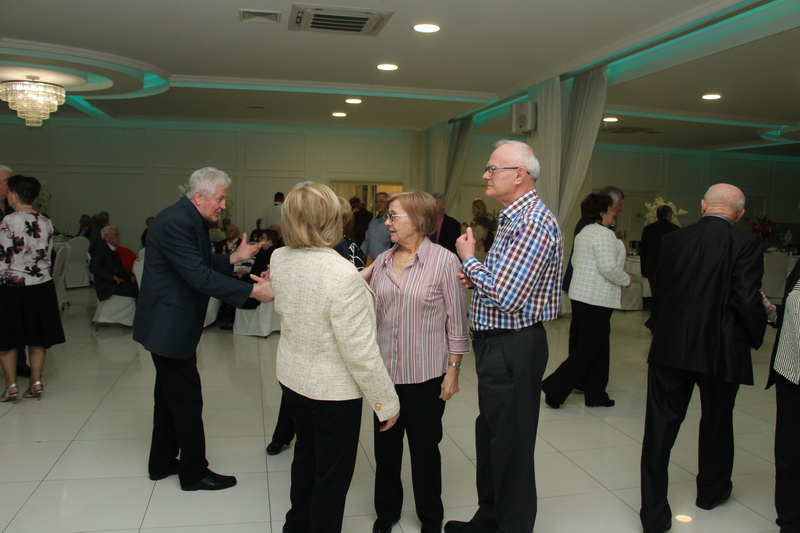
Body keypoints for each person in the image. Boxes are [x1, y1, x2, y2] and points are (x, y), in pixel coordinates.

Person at [132, 167, 273, 491]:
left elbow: (196, 264)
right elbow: (198, 276)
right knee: (187, 401)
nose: (223, 205)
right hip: (168, 325)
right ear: (199, 196)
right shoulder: (176, 222)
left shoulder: (187, 218)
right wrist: (252, 291)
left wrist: (234, 257)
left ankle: (161, 462)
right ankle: (194, 473)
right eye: (220, 198)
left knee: (168, 399)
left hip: (170, 323)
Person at [269, 183, 399, 533]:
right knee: (332, 475)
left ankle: (296, 526)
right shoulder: (341, 273)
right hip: (332, 393)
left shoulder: (280, 257)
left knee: (305, 458)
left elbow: (300, 301)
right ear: (332, 220)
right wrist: (386, 402)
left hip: (293, 378)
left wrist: (357, 282)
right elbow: (361, 353)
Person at [449, 140, 563, 533]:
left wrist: (469, 260)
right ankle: (490, 518)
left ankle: (511, 525)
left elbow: (509, 297)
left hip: (513, 344)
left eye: (492, 168)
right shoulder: (514, 218)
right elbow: (505, 282)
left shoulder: (531, 221)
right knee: (493, 436)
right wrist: (477, 275)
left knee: (510, 442)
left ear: (519, 175)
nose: (485, 175)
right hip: (500, 343)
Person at [639, 184, 766, 533]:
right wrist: (756, 334)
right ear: (740, 214)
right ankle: (711, 492)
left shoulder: (673, 240)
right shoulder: (746, 243)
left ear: (703, 206)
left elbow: (662, 291)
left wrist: (663, 328)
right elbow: (746, 298)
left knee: (659, 428)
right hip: (720, 349)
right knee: (717, 421)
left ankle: (653, 513)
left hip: (671, 346)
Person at [369, 191, 469, 533]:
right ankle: (387, 511)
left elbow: (457, 323)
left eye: (394, 216)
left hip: (426, 376)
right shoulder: (382, 261)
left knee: (425, 450)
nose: (387, 222)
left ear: (418, 220)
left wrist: (453, 371)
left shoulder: (444, 262)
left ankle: (430, 517)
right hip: (384, 375)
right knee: (386, 448)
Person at [266, 197, 366, 454]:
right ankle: (285, 436)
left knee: (312, 437)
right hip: (304, 347)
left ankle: (288, 438)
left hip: (325, 346)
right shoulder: (292, 252)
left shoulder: (348, 249)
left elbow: (352, 288)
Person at [542, 193, 630, 409]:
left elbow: (576, 262)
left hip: (581, 297)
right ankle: (554, 387)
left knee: (597, 347)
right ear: (602, 213)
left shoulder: (584, 232)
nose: (613, 215)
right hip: (596, 299)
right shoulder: (604, 235)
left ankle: (596, 393)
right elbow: (608, 267)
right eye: (611, 211)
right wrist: (626, 279)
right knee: (589, 349)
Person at [0, 175, 65, 402]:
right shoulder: (46, 221)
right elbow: (47, 255)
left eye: (9, 192)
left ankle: (11, 386)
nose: (7, 196)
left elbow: (2, 257)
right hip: (41, 286)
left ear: (16, 196)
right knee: (37, 337)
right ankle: (36, 381)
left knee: (7, 338)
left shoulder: (9, 220)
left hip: (12, 286)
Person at [763, 263, 800, 533]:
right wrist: (771, 311)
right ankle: (789, 521)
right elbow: (792, 314)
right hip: (789, 371)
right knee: (789, 452)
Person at [0, 165, 32, 378]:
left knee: (15, 319)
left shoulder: (15, 210)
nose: (11, 185)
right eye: (6, 181)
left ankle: (19, 362)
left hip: (14, 275)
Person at [562, 185, 624, 293]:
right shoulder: (590, 225)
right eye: (620, 205)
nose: (620, 209)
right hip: (588, 287)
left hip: (585, 286)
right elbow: (606, 265)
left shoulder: (595, 224)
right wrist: (625, 279)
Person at [640, 205, 679, 330]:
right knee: (667, 296)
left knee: (656, 296)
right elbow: (677, 252)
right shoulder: (675, 229)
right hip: (668, 268)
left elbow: (643, 251)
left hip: (652, 268)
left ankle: (654, 321)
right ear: (669, 215)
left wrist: (643, 270)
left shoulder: (648, 229)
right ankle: (664, 322)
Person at [89, 225, 139, 302]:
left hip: (114, 283)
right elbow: (94, 267)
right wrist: (112, 277)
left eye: (118, 234)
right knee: (139, 289)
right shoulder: (100, 249)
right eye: (116, 235)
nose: (119, 237)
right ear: (106, 237)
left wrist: (131, 275)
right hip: (108, 286)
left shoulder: (110, 248)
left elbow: (119, 266)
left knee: (140, 286)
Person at [361, 192, 392, 261]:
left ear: (388, 203)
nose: (378, 204)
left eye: (381, 201)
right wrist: (360, 256)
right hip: (374, 262)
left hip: (387, 262)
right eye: (376, 202)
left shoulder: (392, 221)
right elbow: (367, 241)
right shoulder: (373, 221)